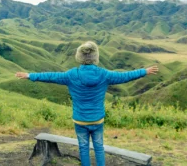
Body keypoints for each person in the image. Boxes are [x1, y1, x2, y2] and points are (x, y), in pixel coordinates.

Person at [15, 41, 159, 166]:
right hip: (97, 119)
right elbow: (125, 76)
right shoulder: (104, 74)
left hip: (80, 120)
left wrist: (29, 75)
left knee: (83, 147)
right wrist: (144, 71)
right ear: (95, 57)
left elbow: (50, 76)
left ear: (79, 57)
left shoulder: (71, 75)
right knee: (99, 147)